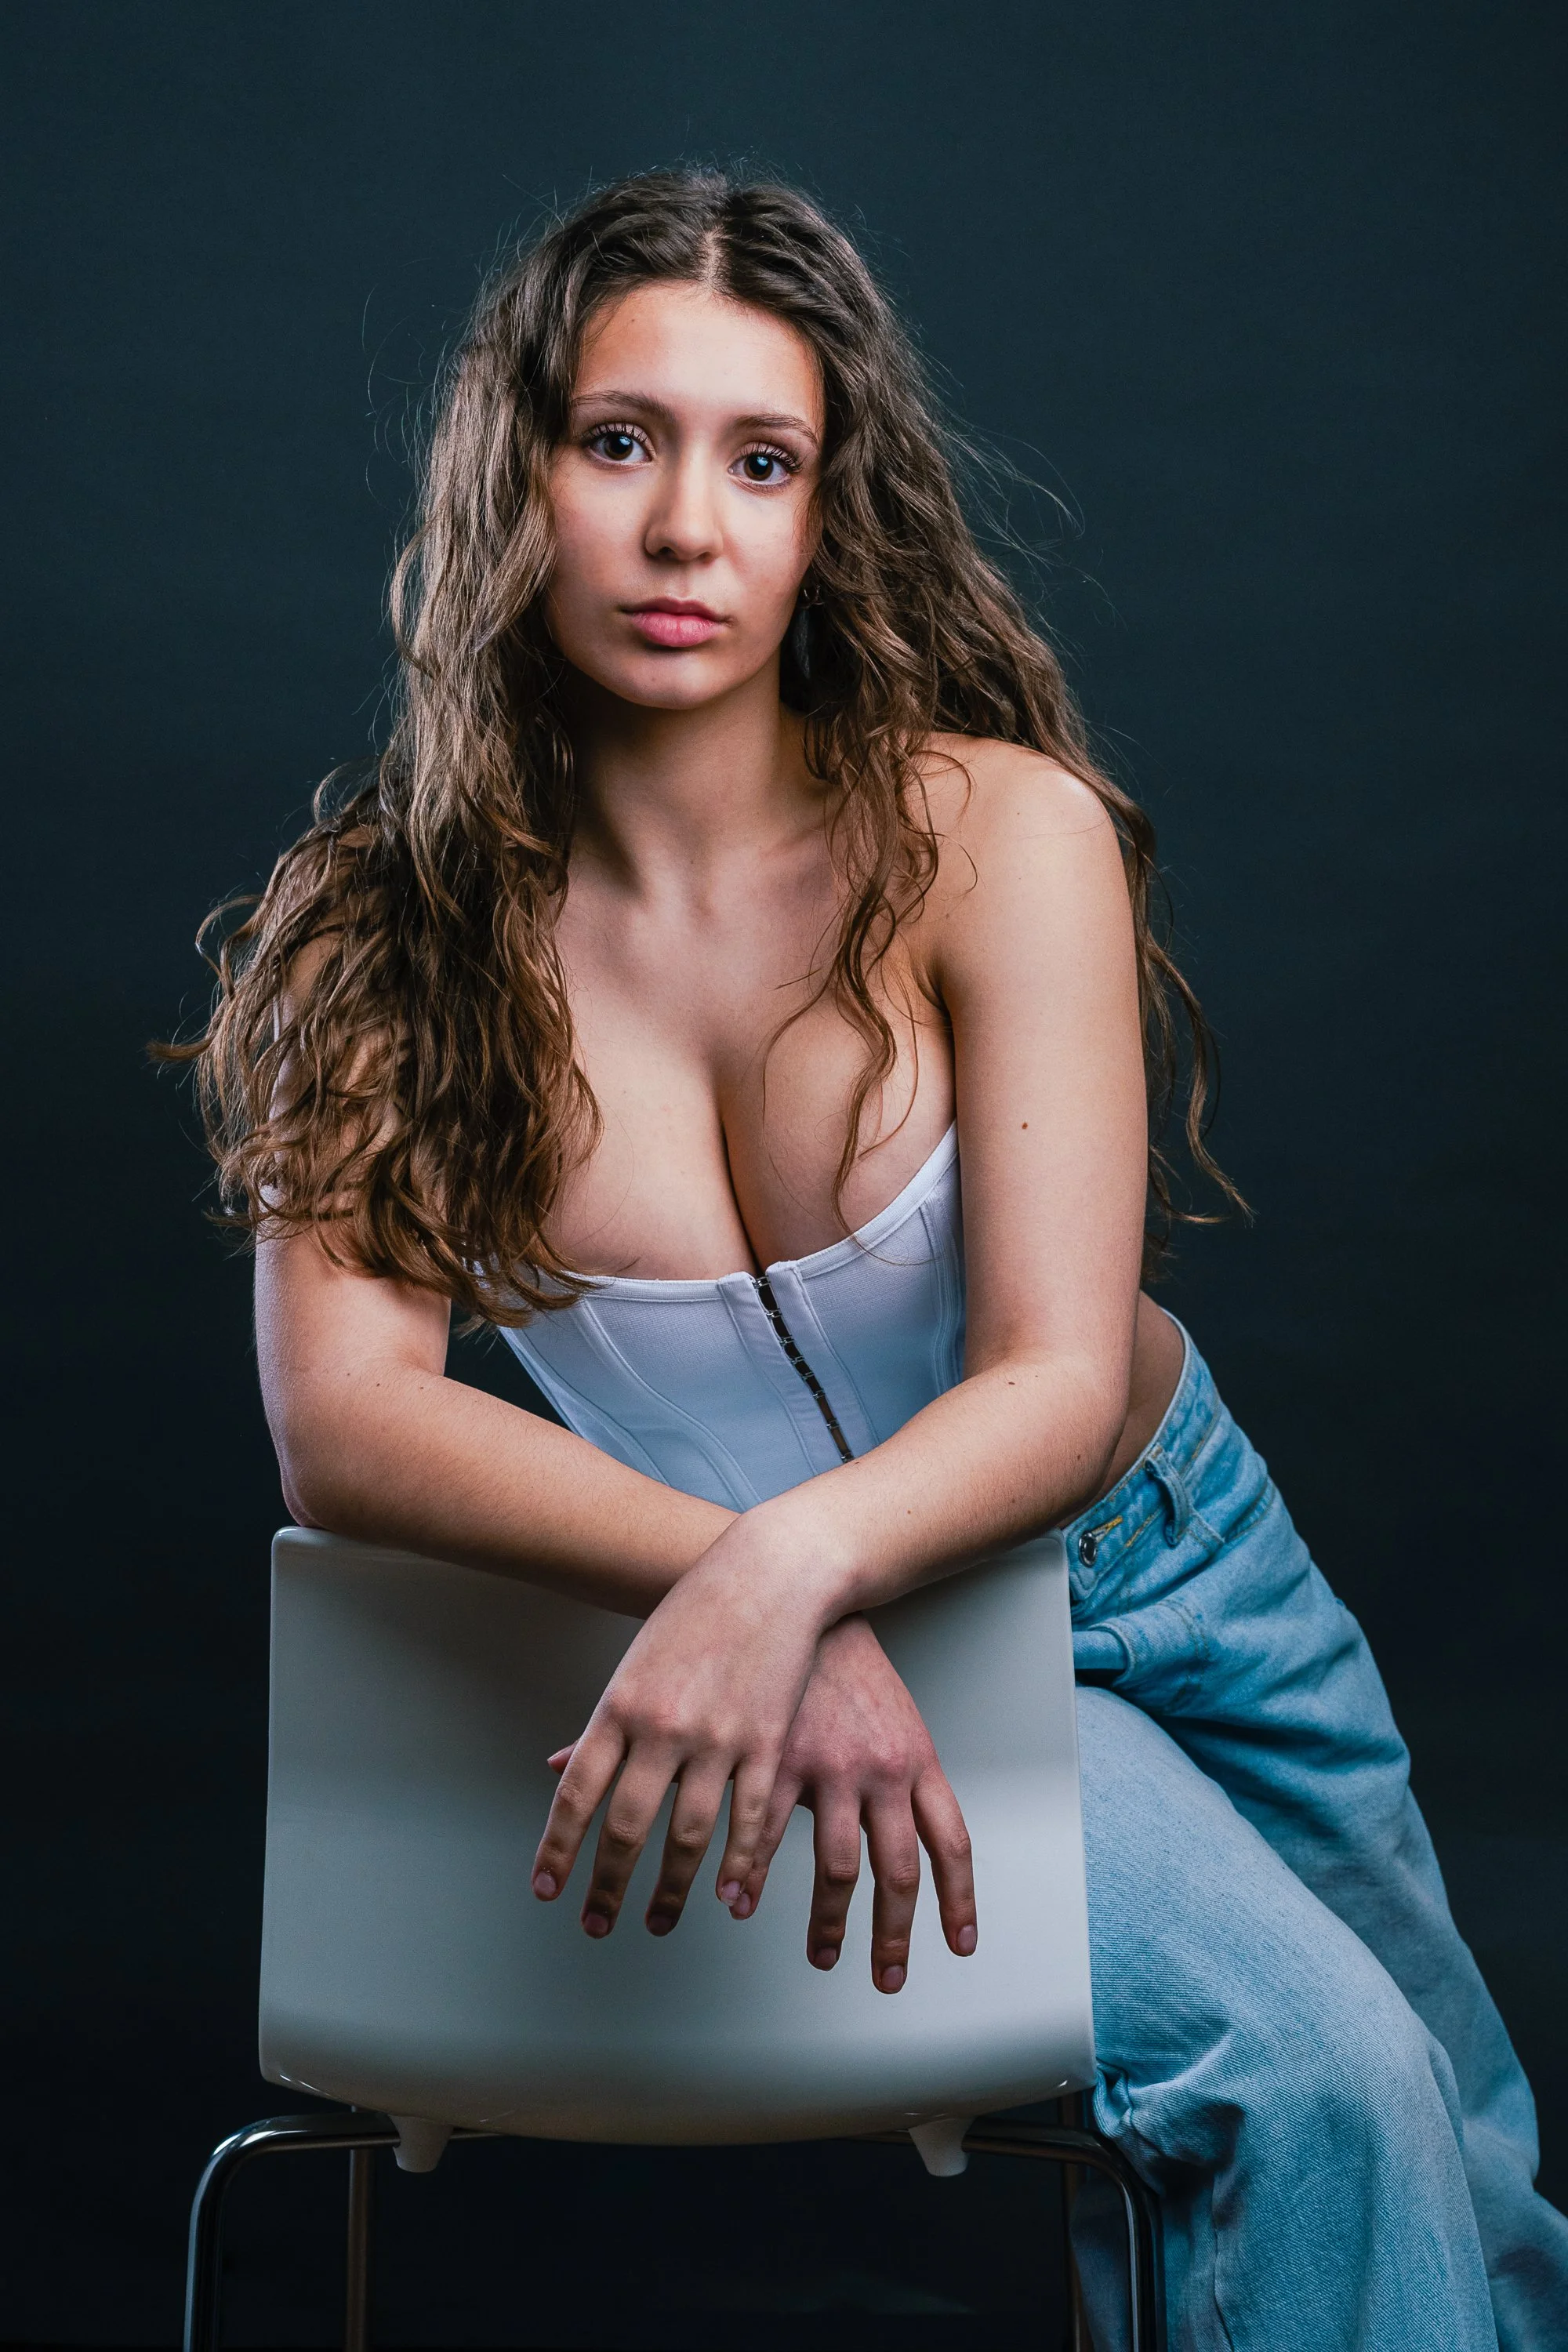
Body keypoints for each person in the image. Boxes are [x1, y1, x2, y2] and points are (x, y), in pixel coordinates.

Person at [169, 170, 1568, 2350]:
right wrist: (758, 1595)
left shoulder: (1002, 833)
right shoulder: (380, 936)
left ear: (832, 511)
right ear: (514, 467)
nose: (684, 529)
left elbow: (1053, 1373)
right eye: (617, 440)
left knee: (1466, 2170)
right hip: (776, 1653)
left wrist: (773, 1567)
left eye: (762, 460)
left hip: (1157, 1557)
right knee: (1319, 2083)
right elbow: (345, 1428)